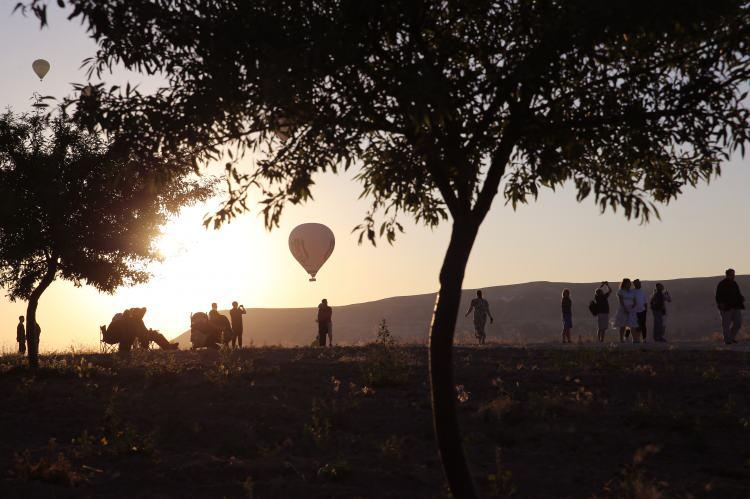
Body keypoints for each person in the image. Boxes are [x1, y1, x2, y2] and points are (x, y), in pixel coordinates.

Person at [103, 307, 178, 352]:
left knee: (154, 334)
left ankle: (168, 347)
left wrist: (147, 332)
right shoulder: (123, 322)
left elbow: (142, 330)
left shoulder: (135, 321)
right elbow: (126, 335)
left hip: (138, 335)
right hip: (119, 338)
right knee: (150, 335)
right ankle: (167, 347)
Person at [716, 268, 744, 345]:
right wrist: (721, 304)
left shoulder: (734, 284)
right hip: (726, 307)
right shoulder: (722, 284)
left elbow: (738, 293)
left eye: (734, 274)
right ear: (727, 275)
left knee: (738, 323)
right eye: (732, 275)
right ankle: (727, 341)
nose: (733, 276)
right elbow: (718, 296)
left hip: (735, 306)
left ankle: (731, 338)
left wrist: (741, 299)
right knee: (726, 325)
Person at [616, 278, 637, 342]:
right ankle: (621, 339)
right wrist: (625, 309)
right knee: (623, 325)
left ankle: (634, 339)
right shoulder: (621, 291)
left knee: (632, 324)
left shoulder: (632, 291)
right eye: (628, 283)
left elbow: (634, 300)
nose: (629, 284)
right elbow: (621, 301)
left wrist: (633, 306)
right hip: (623, 308)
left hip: (631, 308)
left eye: (629, 283)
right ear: (624, 283)